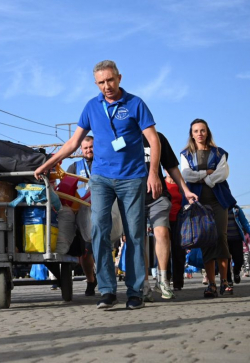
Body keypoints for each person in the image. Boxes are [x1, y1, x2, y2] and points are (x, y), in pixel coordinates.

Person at [35, 60, 162, 311]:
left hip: (132, 177)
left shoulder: (136, 104)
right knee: (98, 232)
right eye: (101, 82)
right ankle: (107, 290)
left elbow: (153, 140)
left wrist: (153, 173)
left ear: (119, 78)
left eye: (110, 80)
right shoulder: (92, 107)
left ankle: (136, 291)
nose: (107, 86)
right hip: (101, 179)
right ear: (96, 83)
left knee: (135, 233)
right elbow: (73, 143)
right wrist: (47, 164)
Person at [180, 118, 236, 298]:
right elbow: (186, 174)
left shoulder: (220, 153)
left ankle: (225, 280)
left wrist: (206, 180)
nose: (199, 134)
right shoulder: (185, 154)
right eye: (196, 131)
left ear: (207, 132)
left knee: (221, 237)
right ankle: (211, 283)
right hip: (198, 202)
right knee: (207, 240)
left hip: (218, 200)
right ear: (192, 134)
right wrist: (206, 173)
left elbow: (223, 173)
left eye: (202, 130)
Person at [142, 132, 197, 301]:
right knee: (138, 240)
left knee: (162, 233)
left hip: (157, 196)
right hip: (132, 198)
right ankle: (143, 284)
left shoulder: (157, 138)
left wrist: (185, 190)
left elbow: (172, 166)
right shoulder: (121, 138)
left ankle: (163, 279)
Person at [63, 136, 98, 296]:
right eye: (85, 148)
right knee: (85, 254)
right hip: (81, 215)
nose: (89, 150)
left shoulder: (103, 163)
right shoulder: (74, 167)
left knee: (102, 249)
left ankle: (106, 281)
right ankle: (91, 280)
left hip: (102, 211)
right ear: (81, 150)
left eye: (91, 147)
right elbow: (65, 189)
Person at [165, 172, 186, 291]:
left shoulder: (181, 184)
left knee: (179, 252)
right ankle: (166, 280)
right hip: (164, 220)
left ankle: (178, 282)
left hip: (179, 220)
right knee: (165, 252)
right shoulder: (162, 183)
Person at [224, 205, 250, 291]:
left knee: (239, 259)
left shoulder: (236, 209)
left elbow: (244, 222)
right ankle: (229, 281)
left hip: (236, 238)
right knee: (226, 261)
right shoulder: (219, 208)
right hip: (224, 240)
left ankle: (236, 272)